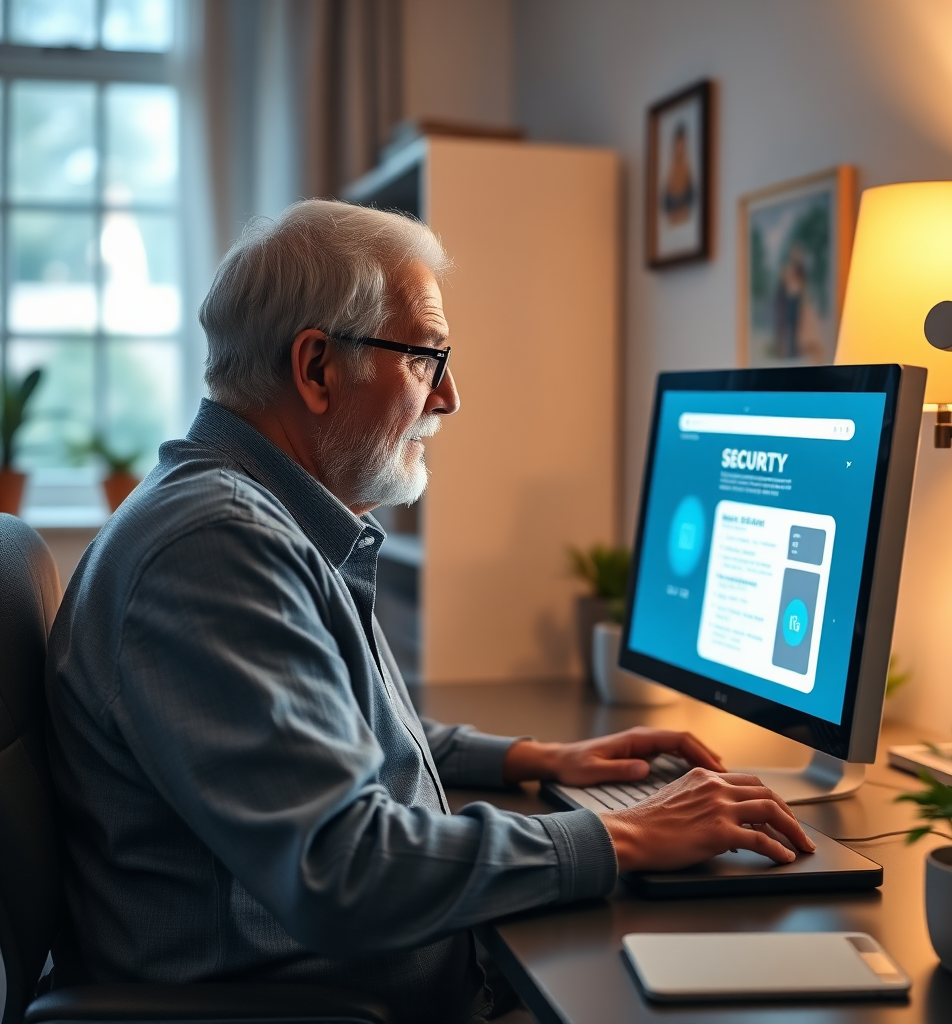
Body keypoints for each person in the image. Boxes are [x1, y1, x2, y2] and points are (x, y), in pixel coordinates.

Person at [46, 200, 814, 1024]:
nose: (449, 397)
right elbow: (339, 867)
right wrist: (625, 837)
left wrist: (538, 759)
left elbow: (335, 728)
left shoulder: (261, 516)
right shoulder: (216, 549)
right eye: (425, 360)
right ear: (316, 368)